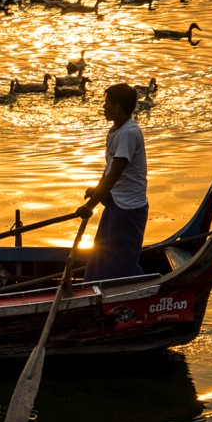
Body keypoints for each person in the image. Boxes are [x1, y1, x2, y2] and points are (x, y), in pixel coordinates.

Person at [76, 83, 148, 282]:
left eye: (106, 103)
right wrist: (97, 191)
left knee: (120, 262)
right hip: (116, 201)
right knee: (101, 256)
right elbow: (108, 170)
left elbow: (114, 174)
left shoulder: (128, 133)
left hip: (128, 207)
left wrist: (90, 206)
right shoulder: (116, 130)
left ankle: (138, 290)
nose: (103, 107)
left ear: (117, 107)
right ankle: (94, 289)